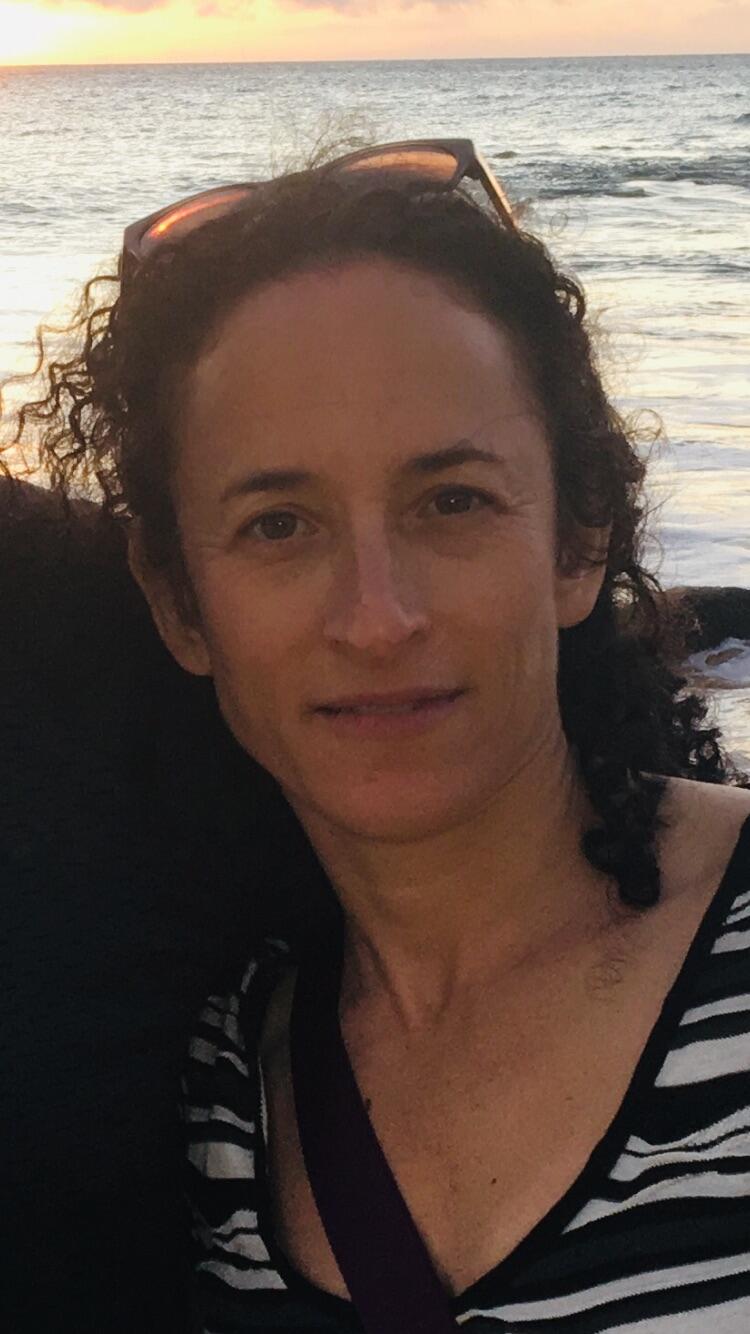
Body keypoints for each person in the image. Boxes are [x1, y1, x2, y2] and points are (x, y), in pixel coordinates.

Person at [9, 139, 750, 1331]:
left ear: (577, 542)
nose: (376, 616)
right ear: (180, 604)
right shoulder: (229, 1099)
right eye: (278, 523)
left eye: (452, 500)